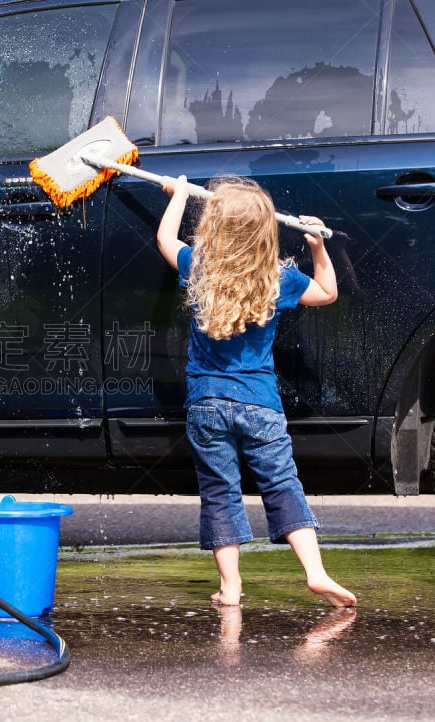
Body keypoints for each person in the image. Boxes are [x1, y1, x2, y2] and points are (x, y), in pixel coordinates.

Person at [156, 175, 356, 608]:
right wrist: (318, 247)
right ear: (267, 231)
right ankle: (316, 572)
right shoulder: (278, 277)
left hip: (207, 405)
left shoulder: (199, 267)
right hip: (261, 406)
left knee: (220, 491)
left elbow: (165, 239)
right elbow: (327, 292)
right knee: (283, 484)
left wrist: (180, 194)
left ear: (212, 227)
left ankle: (230, 587)